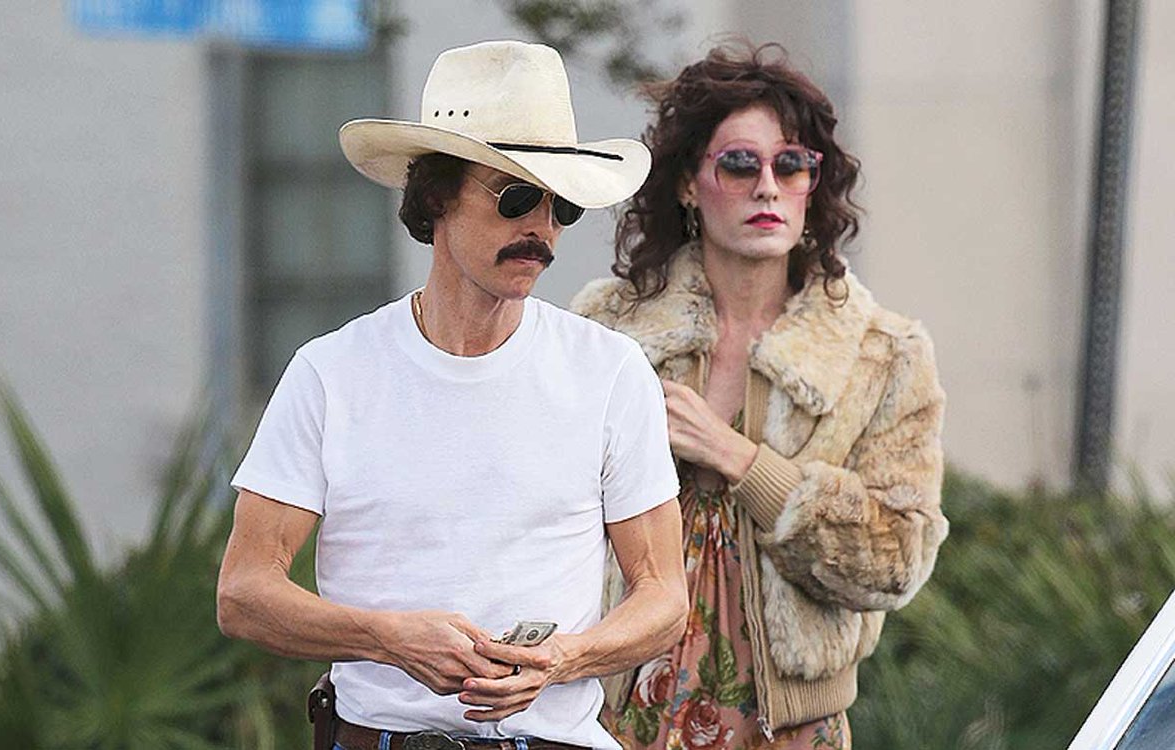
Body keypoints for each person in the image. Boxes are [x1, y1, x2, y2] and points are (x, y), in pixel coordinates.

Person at [216, 40, 688, 750]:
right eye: (516, 197)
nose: (541, 228)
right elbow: (244, 593)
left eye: (561, 205)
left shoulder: (609, 371)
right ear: (437, 196)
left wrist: (562, 659)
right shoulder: (332, 373)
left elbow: (663, 595)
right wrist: (387, 638)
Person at [571, 41, 948, 749]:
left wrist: (745, 463)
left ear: (813, 184)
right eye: (740, 164)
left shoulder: (882, 354)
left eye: (792, 164)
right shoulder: (607, 329)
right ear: (689, 184)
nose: (768, 187)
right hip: (619, 710)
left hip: (790, 728)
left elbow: (898, 558)